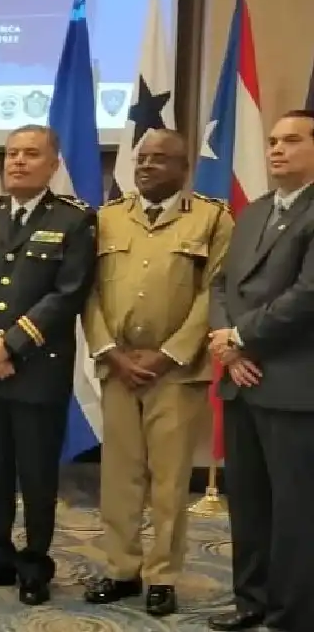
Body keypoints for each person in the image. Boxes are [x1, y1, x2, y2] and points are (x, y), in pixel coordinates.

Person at [81, 129, 234, 616]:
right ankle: (121, 569)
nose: (146, 166)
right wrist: (110, 352)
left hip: (177, 373)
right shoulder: (106, 219)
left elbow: (216, 292)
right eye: (141, 158)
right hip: (119, 367)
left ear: (183, 168)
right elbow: (88, 294)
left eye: (160, 159)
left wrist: (169, 354)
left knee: (168, 482)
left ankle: (162, 576)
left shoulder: (212, 218)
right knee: (119, 476)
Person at [0, 125, 97, 606]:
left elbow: (68, 292)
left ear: (53, 164)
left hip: (37, 369)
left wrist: (9, 346)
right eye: (11, 154)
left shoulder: (74, 221)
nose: (17, 162)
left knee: (36, 473)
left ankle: (35, 562)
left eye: (30, 154)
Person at [207, 109, 314, 632]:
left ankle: (291, 615)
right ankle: (251, 601)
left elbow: (308, 295)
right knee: (247, 504)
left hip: (294, 385)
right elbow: (220, 285)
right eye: (272, 140)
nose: (276, 149)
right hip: (241, 378)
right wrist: (231, 347)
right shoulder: (253, 211)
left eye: (292, 140)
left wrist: (242, 338)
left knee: (296, 512)